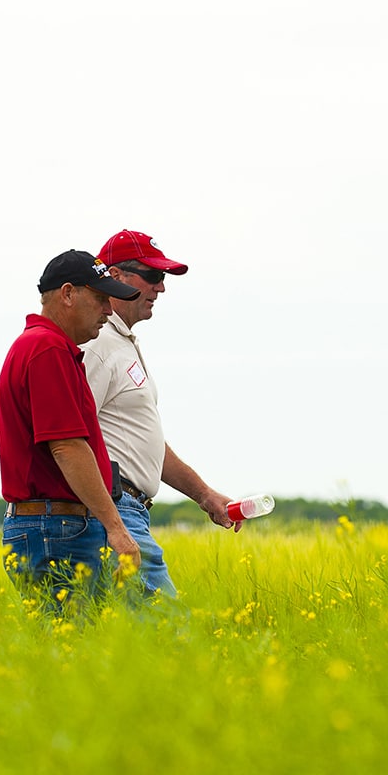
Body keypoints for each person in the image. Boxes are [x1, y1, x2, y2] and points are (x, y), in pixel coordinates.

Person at [81, 229, 239, 598]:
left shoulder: (121, 343)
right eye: (152, 276)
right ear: (115, 277)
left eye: (162, 277)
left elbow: (144, 445)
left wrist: (204, 495)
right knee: (171, 637)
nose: (161, 288)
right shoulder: (99, 344)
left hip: (127, 510)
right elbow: (72, 436)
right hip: (114, 510)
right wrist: (110, 521)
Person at [0, 249, 144, 611]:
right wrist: (117, 528)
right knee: (73, 652)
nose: (109, 311)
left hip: (51, 525)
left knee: (67, 650)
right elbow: (67, 446)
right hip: (56, 527)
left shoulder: (45, 347)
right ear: (67, 294)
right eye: (99, 299)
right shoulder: (47, 349)